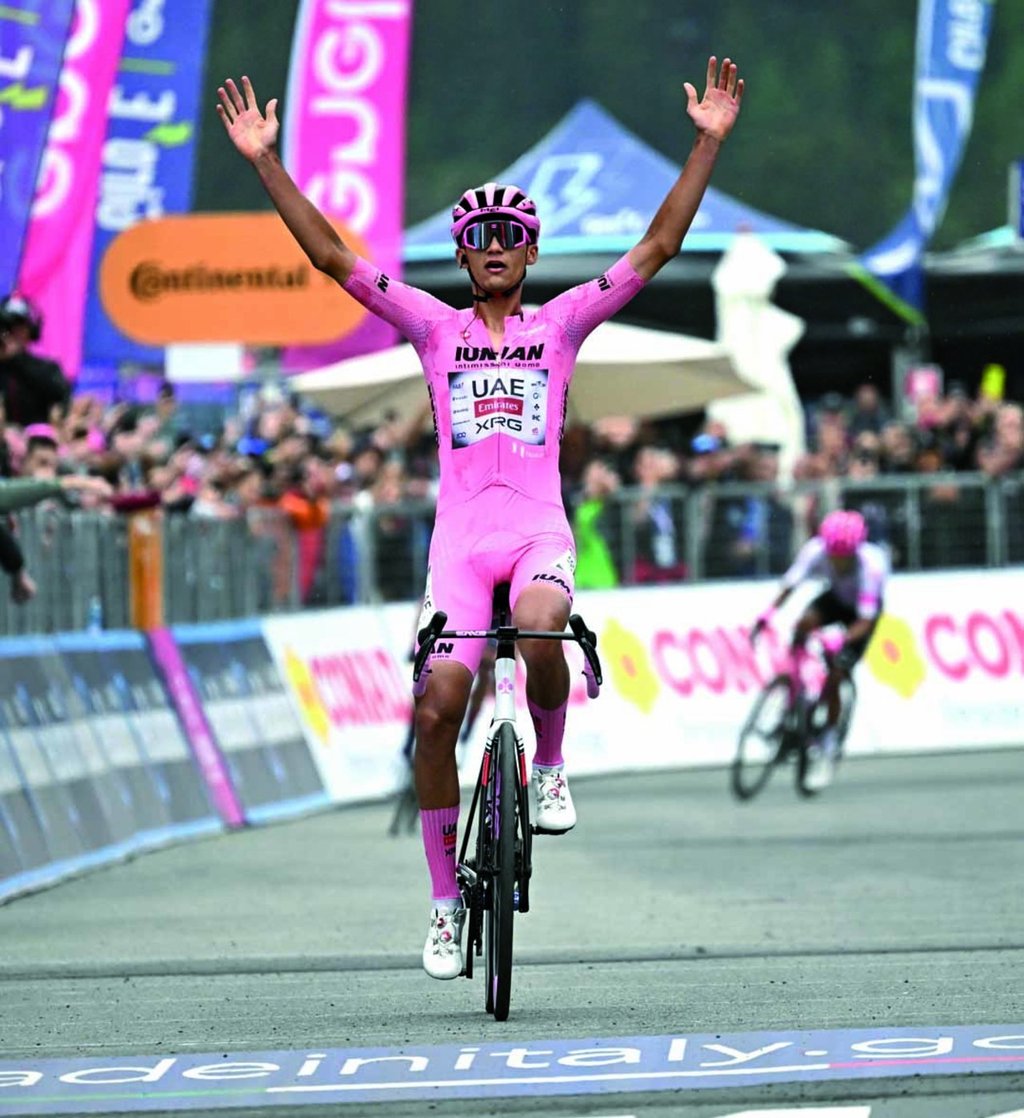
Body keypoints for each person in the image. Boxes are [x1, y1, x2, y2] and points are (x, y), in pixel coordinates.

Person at [217, 56, 744, 979]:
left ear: (531, 254)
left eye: (511, 234)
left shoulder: (565, 324)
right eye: (480, 236)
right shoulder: (431, 328)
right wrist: (267, 163)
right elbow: (333, 257)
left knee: (543, 625)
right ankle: (444, 906)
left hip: (536, 530)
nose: (495, 245)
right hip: (459, 548)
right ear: (463, 258)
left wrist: (705, 143)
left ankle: (547, 765)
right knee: (435, 712)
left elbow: (656, 249)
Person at [751, 509, 888, 791]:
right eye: (833, 556)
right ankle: (791, 692)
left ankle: (828, 739)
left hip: (862, 616)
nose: (837, 561)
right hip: (835, 597)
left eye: (843, 557)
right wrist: (767, 614)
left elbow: (865, 619)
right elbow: (790, 585)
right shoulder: (815, 550)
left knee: (838, 669)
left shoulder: (871, 566)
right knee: (802, 625)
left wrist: (841, 640)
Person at [0, 294, 71, 426]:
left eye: (19, 326)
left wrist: (16, 359)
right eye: (7, 327)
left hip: (36, 441)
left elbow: (60, 395)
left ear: (32, 330)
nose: (13, 333)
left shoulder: (47, 368)